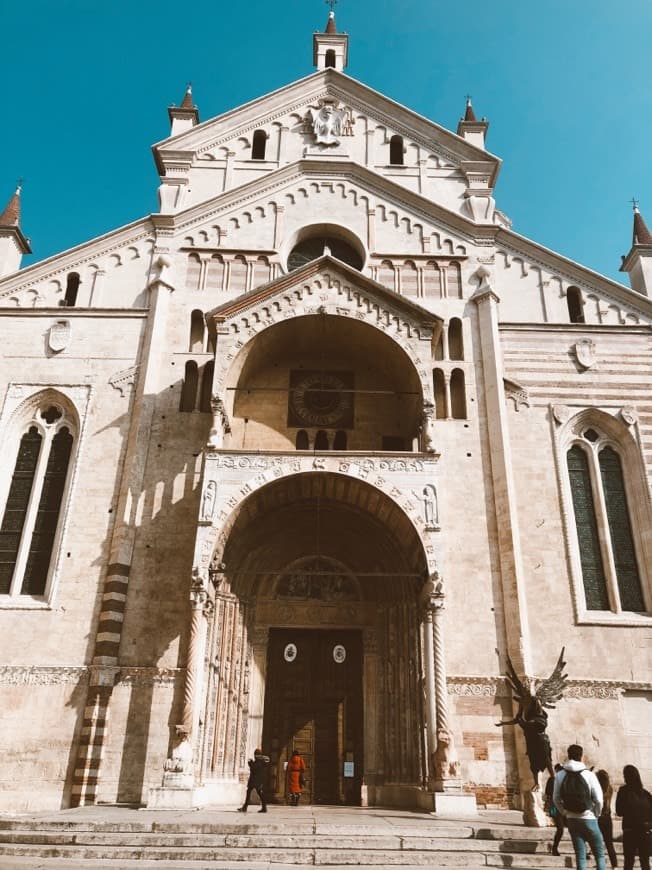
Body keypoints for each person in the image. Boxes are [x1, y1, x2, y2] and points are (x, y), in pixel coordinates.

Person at [554, 744, 606, 870]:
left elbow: (555, 798)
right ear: (581, 756)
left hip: (572, 819)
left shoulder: (560, 775)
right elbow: (599, 799)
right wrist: (596, 813)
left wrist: (564, 812)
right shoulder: (589, 774)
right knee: (599, 854)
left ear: (568, 755)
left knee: (580, 855)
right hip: (589, 817)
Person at [615, 764, 652, 870]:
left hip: (629, 831)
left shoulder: (623, 791)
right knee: (645, 862)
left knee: (629, 862)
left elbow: (619, 811)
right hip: (645, 832)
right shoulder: (646, 794)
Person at [597, 770, 618, 868]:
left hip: (599, 818)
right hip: (608, 818)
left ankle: (600, 865)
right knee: (609, 843)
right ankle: (615, 865)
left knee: (597, 843)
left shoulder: (597, 789)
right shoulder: (609, 788)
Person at [237, 748, 270, 813]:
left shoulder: (259, 761)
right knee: (257, 793)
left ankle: (245, 807)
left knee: (251, 792)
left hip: (255, 780)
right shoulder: (262, 761)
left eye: (255, 754)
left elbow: (255, 769)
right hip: (258, 780)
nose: (255, 756)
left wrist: (250, 763)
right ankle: (263, 807)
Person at [546, 763, 566, 856]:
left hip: (566, 808)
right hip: (556, 808)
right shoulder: (552, 780)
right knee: (560, 829)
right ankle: (555, 848)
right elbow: (548, 794)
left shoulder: (566, 780)